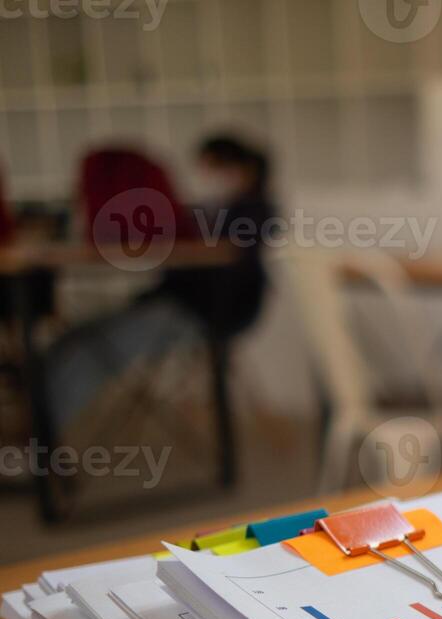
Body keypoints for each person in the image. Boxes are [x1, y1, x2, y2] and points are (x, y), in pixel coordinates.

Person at [44, 135, 275, 435]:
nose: (205, 176)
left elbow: (218, 261)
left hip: (203, 315)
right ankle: (37, 437)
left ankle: (41, 447)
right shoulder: (205, 211)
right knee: (67, 342)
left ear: (239, 168)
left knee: (86, 351)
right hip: (170, 306)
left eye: (211, 167)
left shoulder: (252, 212)